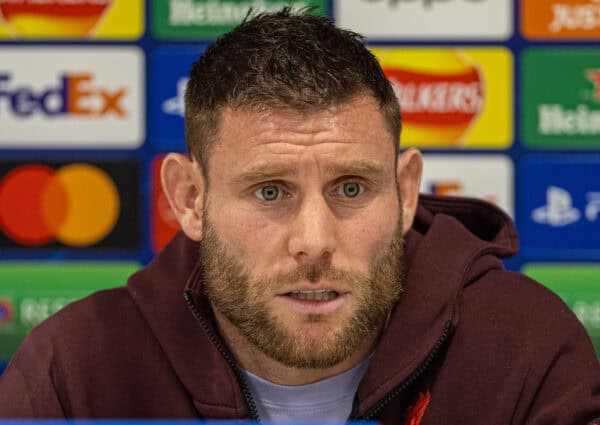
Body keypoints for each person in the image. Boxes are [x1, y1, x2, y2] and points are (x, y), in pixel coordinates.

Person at [1, 8, 599, 424]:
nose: (314, 243)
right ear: (189, 199)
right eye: (269, 192)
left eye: (350, 188)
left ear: (406, 190)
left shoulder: (525, 348)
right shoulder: (75, 370)